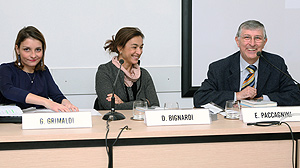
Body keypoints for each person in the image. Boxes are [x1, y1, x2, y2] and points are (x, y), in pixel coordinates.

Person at [193, 20, 300, 108]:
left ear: (265, 41)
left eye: (257, 38)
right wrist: (238, 96)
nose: (252, 44)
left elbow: (295, 95)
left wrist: (263, 100)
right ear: (237, 41)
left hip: (266, 126)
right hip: (231, 125)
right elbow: (200, 98)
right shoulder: (220, 68)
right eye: (247, 37)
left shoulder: (276, 64)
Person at [0, 26, 78, 112]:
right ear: (17, 49)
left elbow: (57, 96)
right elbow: (8, 91)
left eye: (38, 50)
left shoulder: (43, 71)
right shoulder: (5, 69)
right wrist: (46, 102)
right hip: (13, 123)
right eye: (27, 49)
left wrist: (66, 103)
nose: (33, 55)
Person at [95, 27, 159, 110]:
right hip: (113, 122)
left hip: (139, 122)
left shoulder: (144, 74)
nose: (139, 52)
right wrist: (145, 103)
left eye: (141, 47)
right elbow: (109, 106)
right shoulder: (105, 71)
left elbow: (155, 105)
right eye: (134, 47)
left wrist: (123, 104)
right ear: (120, 48)